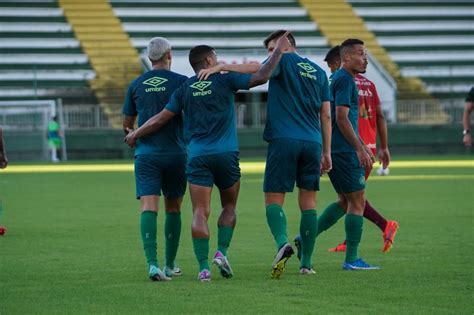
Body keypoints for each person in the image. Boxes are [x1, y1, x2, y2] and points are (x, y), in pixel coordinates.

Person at [125, 33, 291, 281]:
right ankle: (221, 252)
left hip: (197, 156)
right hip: (225, 155)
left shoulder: (185, 87)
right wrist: (277, 51)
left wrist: (136, 133)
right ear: (210, 59)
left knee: (199, 212)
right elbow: (262, 74)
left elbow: (161, 118)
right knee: (229, 206)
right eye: (216, 58)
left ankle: (203, 268)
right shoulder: (225, 80)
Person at [198, 30, 332, 278]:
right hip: (313, 142)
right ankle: (307, 264)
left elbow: (255, 70)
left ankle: (283, 244)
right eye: (269, 51)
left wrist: (222, 66)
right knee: (309, 204)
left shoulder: (281, 60)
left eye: (273, 48)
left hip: (284, 140)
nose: (270, 55)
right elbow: (326, 115)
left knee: (273, 200)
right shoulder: (319, 72)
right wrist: (327, 151)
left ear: (286, 45)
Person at [321, 45, 399, 253]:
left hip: (352, 146)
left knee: (352, 199)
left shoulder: (341, 81)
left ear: (338, 62)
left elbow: (338, 116)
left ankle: (362, 238)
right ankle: (370, 233)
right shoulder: (368, 85)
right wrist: (383, 146)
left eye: (331, 66)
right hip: (364, 145)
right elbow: (380, 116)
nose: (330, 71)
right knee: (350, 198)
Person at [122, 37, 188, 281]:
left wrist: (134, 136)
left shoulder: (136, 84)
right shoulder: (182, 82)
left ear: (150, 58)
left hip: (147, 154)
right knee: (174, 208)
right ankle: (170, 265)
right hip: (176, 153)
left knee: (148, 207)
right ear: (169, 54)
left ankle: (153, 265)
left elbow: (127, 125)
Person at [316, 38, 379, 270]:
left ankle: (306, 239)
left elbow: (347, 120)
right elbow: (341, 118)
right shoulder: (345, 81)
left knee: (344, 201)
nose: (365, 59)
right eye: (361, 54)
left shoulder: (340, 79)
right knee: (357, 201)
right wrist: (358, 148)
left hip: (339, 149)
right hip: (343, 151)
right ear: (347, 57)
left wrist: (361, 144)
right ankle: (351, 259)